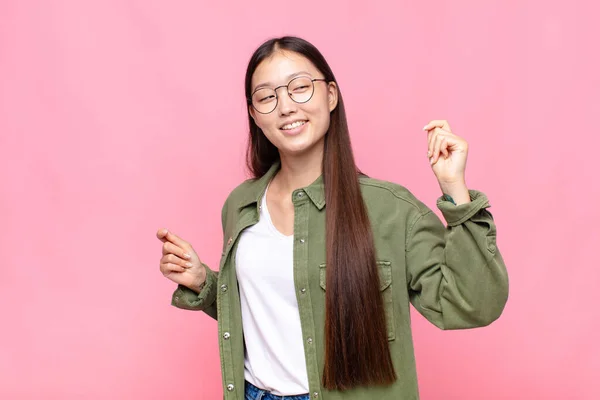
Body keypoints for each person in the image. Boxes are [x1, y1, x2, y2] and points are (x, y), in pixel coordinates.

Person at [156, 36, 509, 400]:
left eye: (300, 88)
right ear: (254, 114)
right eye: (267, 97)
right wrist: (204, 282)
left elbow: (473, 305)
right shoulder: (240, 205)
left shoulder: (390, 209)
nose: (286, 107)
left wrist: (456, 191)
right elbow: (267, 315)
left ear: (331, 95)